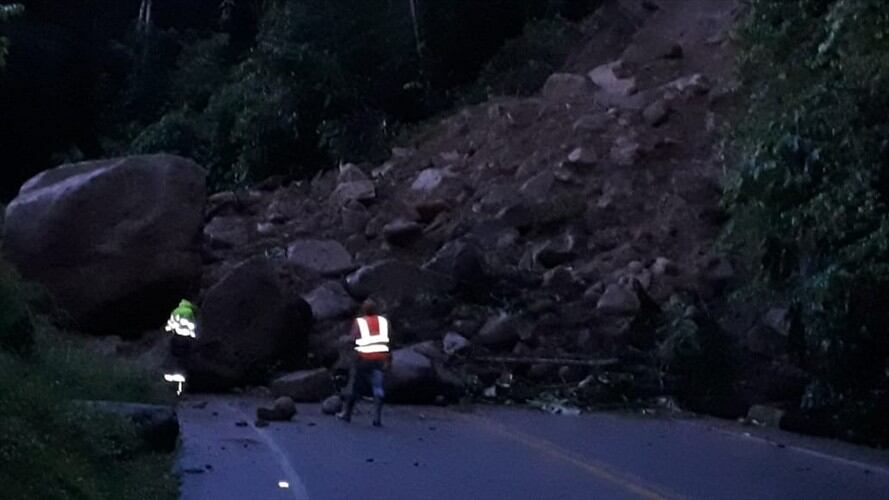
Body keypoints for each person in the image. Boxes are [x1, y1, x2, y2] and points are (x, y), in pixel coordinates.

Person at [338, 299, 391, 426]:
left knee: (355, 386)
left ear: (364, 310)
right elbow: (389, 339)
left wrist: (344, 340)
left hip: (364, 358)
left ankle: (346, 414)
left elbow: (353, 338)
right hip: (380, 358)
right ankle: (377, 418)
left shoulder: (360, 322)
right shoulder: (384, 322)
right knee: (377, 387)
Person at [163, 298, 199, 396]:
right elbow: (192, 326)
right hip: (186, 339)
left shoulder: (175, 311)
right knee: (184, 361)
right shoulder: (189, 312)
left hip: (175, 337)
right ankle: (181, 387)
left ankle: (170, 387)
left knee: (173, 359)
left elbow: (170, 325)